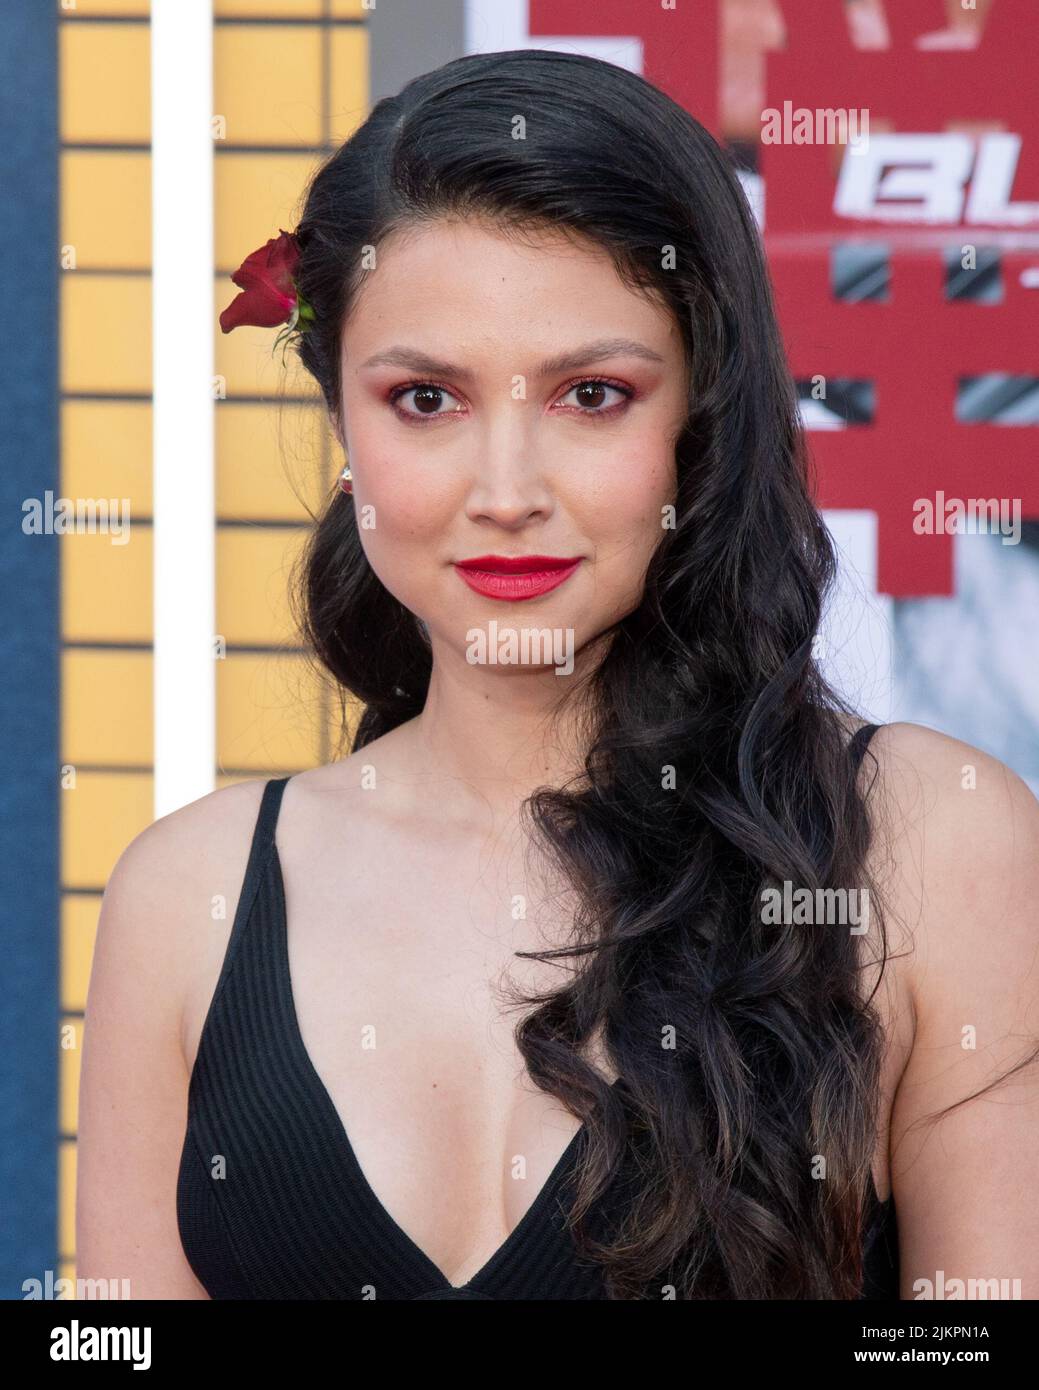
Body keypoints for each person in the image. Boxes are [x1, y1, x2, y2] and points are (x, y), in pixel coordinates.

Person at [76, 48, 1039, 1300]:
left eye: (593, 394)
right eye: (426, 398)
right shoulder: (185, 896)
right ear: (343, 425)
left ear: (699, 414)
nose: (508, 491)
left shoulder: (925, 842)